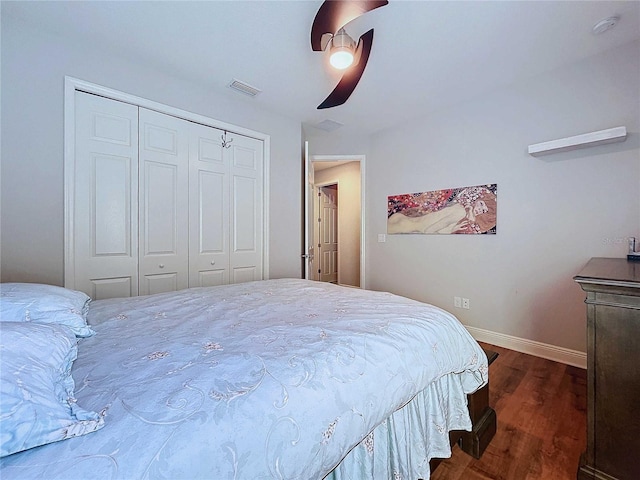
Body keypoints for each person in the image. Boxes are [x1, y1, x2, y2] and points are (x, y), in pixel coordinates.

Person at [387, 187, 496, 234]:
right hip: (403, 225)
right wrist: (452, 230)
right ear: (476, 200)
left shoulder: (461, 210)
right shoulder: (461, 211)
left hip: (403, 221)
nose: (480, 210)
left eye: (484, 211)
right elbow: (429, 230)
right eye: (481, 204)